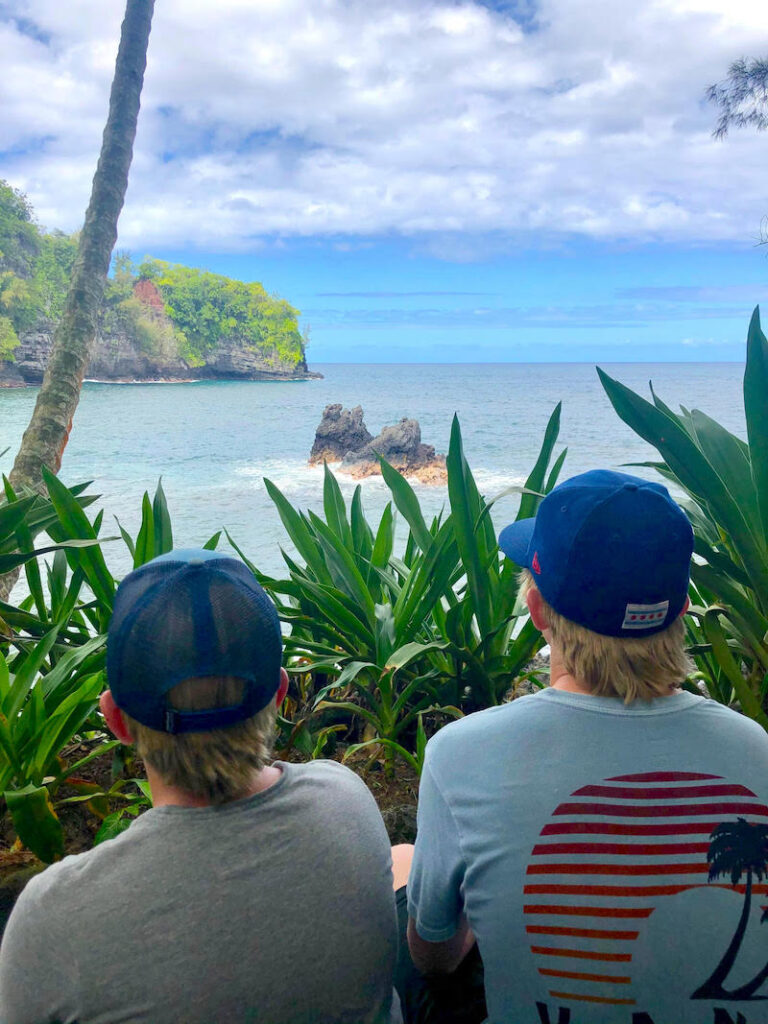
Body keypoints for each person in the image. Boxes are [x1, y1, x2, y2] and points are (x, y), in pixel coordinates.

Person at [405, 470, 768, 1024]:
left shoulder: (462, 755)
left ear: (538, 612)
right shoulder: (755, 751)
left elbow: (434, 955)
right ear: (681, 614)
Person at [0, 549, 400, 1024]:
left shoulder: (55, 915)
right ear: (279, 692)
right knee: (407, 855)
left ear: (115, 721)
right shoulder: (345, 797)